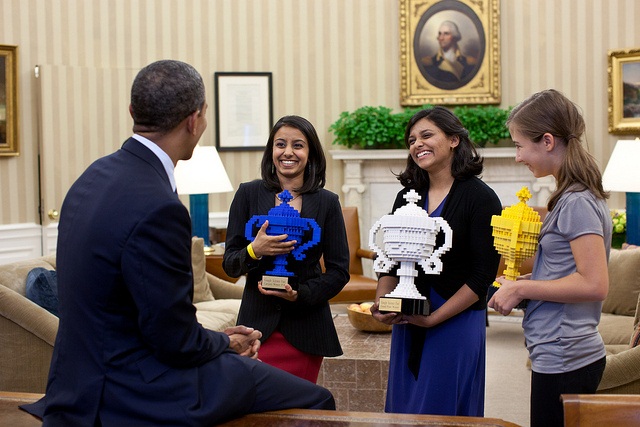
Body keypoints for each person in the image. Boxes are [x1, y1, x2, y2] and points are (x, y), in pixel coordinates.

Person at [21, 60, 335, 426]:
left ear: (132, 112)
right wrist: (225, 342)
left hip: (75, 380)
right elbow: (175, 340)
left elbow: (139, 310)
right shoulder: (160, 206)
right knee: (318, 399)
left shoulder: (91, 177)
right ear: (195, 120)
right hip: (136, 385)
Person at [488, 89, 611, 427]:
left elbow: (594, 284)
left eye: (518, 145)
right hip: (561, 352)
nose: (517, 157)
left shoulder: (576, 202)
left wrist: (522, 291)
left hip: (566, 355)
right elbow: (573, 271)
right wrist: (527, 281)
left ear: (546, 141)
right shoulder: (576, 196)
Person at [370, 106, 502, 416]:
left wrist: (434, 318)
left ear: (455, 139)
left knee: (441, 410)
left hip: (454, 320)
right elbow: (390, 258)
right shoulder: (406, 196)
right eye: (412, 140)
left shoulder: (482, 198)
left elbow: (483, 275)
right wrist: (382, 303)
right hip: (407, 318)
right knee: (404, 408)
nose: (417, 145)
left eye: (427, 135)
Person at [223, 115, 350, 383]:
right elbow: (230, 264)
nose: (288, 152)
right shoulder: (247, 194)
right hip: (257, 330)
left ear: (310, 153)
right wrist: (254, 250)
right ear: (271, 151)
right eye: (281, 144)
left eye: (298, 145)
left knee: (300, 414)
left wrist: (299, 294)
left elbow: (339, 271)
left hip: (307, 329)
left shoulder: (327, 202)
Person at [421, 20, 477, 85]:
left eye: (446, 34)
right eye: (440, 34)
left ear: (454, 37)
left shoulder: (469, 63)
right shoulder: (428, 63)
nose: (441, 38)